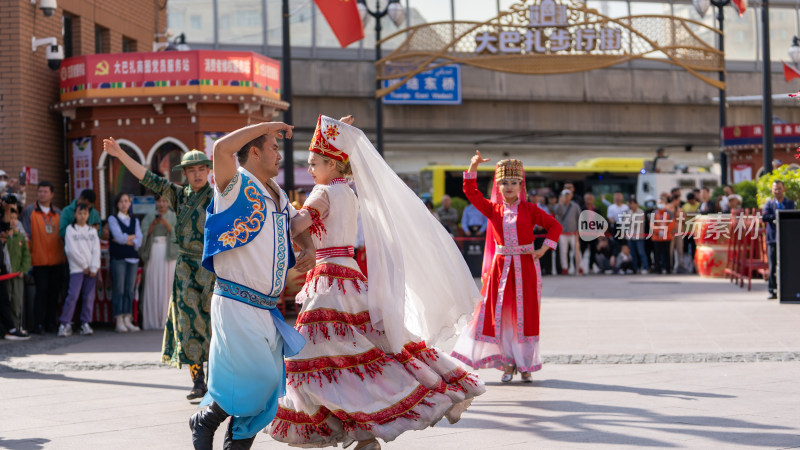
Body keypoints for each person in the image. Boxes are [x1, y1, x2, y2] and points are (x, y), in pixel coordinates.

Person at [268, 117, 485, 449]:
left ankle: (359, 428)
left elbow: (298, 224)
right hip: (350, 276)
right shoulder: (349, 193)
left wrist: (276, 203)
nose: (310, 169)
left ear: (332, 163)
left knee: (313, 360)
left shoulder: (323, 191)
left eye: (314, 163)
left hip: (328, 282)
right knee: (359, 354)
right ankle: (366, 431)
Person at [191, 120, 315, 449]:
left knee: (268, 387)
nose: (279, 155)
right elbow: (221, 149)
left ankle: (233, 440)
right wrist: (269, 124)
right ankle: (206, 420)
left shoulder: (277, 193)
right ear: (256, 151)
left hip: (265, 308)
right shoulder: (234, 185)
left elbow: (295, 221)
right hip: (235, 301)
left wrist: (310, 247)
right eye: (274, 147)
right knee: (256, 380)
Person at [103, 138, 216, 400]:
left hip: (212, 268)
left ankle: (215, 380)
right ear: (185, 174)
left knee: (214, 325)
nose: (197, 174)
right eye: (191, 170)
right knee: (188, 323)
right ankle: (198, 381)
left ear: (209, 171)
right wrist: (120, 154)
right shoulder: (178, 195)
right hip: (185, 268)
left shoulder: (219, 196)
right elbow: (148, 177)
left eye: (201, 169)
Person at [451, 152, 561, 385]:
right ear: (498, 186)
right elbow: (471, 193)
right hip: (500, 271)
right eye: (504, 183)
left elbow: (554, 226)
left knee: (525, 315)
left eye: (513, 182)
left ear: (521, 185)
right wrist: (473, 165)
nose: (509, 187)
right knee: (503, 318)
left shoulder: (531, 210)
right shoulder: (493, 210)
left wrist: (543, 250)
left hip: (526, 269)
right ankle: (508, 363)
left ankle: (526, 365)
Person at [22, 181, 66, 334]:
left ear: (52, 194)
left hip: (57, 259)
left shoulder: (58, 213)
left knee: (54, 293)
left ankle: (51, 323)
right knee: (41, 292)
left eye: (45, 191)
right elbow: (27, 234)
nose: (42, 194)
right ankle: (38, 324)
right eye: (40, 191)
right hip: (39, 259)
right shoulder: (30, 211)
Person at [58, 203, 100, 337]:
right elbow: (71, 250)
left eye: (85, 213)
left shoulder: (92, 231)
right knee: (73, 295)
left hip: (91, 269)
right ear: (75, 215)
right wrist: (83, 265)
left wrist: (93, 267)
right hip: (77, 268)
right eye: (80, 213)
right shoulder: (71, 230)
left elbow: (96, 250)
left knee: (88, 296)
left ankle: (85, 323)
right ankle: (65, 323)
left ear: (88, 215)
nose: (82, 216)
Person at [140, 195, 177, 330]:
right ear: (155, 202)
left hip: (169, 254)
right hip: (154, 251)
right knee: (153, 282)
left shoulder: (173, 216)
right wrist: (152, 226)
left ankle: (167, 320)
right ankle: (152, 321)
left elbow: (178, 234)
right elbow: (143, 234)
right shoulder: (150, 216)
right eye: (159, 201)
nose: (161, 204)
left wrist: (167, 226)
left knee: (168, 285)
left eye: (164, 201)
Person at [107, 193, 142, 333]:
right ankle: (119, 319)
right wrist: (130, 238)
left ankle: (128, 318)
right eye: (121, 201)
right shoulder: (112, 219)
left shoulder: (135, 221)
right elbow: (118, 237)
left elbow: (139, 241)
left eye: (126, 201)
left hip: (133, 259)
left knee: (129, 290)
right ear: (117, 204)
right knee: (119, 289)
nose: (124, 204)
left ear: (130, 203)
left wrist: (127, 239)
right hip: (119, 258)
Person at [762, 180, 795, 300]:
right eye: (775, 189)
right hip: (772, 239)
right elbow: (765, 217)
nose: (777, 191)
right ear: (772, 190)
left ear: (784, 189)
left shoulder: (790, 203)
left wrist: (775, 216)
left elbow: (792, 215)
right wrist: (777, 216)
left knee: (787, 265)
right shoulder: (769, 204)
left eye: (779, 188)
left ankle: (788, 289)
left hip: (786, 239)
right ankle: (772, 290)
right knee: (772, 265)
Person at [1, 212, 30, 340]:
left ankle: (17, 326)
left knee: (17, 301)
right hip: (6, 275)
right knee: (7, 300)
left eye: (15, 218)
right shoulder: (4, 237)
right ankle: (8, 328)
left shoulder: (20, 236)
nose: (12, 221)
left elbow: (26, 255)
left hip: (17, 275)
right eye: (10, 218)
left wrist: (24, 269)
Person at [556, 189, 581, 275]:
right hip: (563, 233)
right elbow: (557, 214)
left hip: (574, 232)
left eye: (568, 195)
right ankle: (565, 268)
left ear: (571, 196)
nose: (566, 197)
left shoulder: (575, 206)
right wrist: (559, 203)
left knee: (576, 250)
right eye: (565, 195)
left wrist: (579, 229)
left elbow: (579, 217)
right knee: (563, 251)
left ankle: (579, 266)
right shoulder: (559, 205)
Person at [650, 196, 675, 274]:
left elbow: (672, 224)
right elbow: (652, 225)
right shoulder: (654, 213)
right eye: (659, 203)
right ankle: (658, 269)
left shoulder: (669, 213)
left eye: (662, 203)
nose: (660, 204)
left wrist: (665, 230)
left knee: (667, 254)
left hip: (667, 237)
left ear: (665, 204)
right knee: (657, 254)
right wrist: (658, 231)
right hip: (657, 237)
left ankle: (668, 269)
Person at [626, 199, 648, 274]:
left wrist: (630, 222)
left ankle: (645, 267)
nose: (631, 205)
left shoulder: (640, 212)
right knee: (633, 254)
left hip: (639, 236)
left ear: (636, 204)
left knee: (641, 252)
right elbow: (626, 223)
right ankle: (635, 268)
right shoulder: (629, 212)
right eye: (630, 204)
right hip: (630, 236)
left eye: (632, 204)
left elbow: (637, 223)